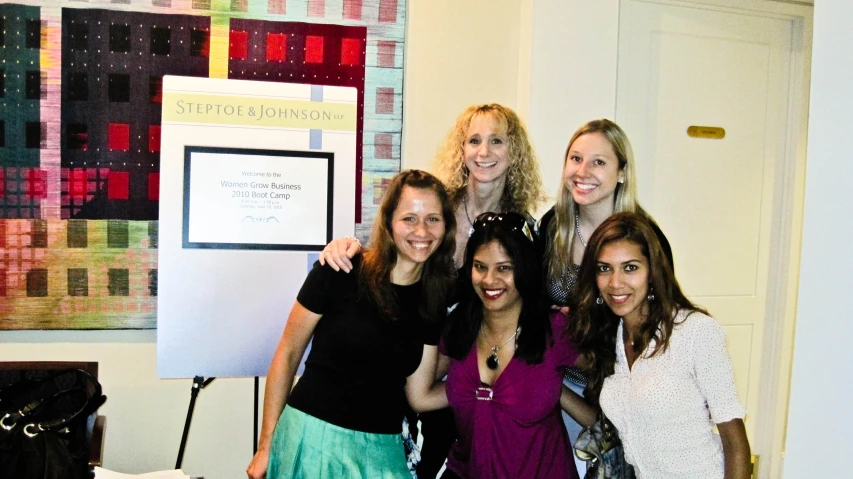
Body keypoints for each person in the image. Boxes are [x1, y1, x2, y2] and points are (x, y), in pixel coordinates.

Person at [319, 104, 547, 478]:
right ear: (461, 149)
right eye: (474, 140)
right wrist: (348, 248)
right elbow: (395, 250)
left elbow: (529, 306)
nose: (483, 152)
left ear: (514, 151)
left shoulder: (525, 230)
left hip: (467, 373)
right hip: (407, 353)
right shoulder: (439, 207)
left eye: (496, 141)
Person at [246, 170, 457, 479]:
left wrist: (485, 384)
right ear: (388, 223)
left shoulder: (434, 299)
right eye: (409, 218)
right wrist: (265, 446)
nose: (422, 231)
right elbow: (288, 354)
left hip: (383, 449)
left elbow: (419, 395)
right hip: (313, 439)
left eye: (433, 219)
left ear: (446, 226)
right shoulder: (341, 269)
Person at [568, 212, 751, 478]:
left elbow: (735, 446)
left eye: (630, 267)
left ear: (652, 271)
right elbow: (612, 425)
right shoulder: (610, 340)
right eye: (604, 268)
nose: (615, 282)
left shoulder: (695, 331)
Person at [535, 119, 674, 454]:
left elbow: (657, 327)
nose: (583, 172)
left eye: (599, 162)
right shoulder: (553, 226)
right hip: (559, 386)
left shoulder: (646, 240)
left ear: (621, 172)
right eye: (576, 158)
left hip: (620, 390)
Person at [439, 212, 596, 479]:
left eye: (504, 268)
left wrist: (555, 391)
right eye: (480, 266)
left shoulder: (554, 329)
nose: (490, 280)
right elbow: (421, 395)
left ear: (524, 269)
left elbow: (613, 385)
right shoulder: (459, 326)